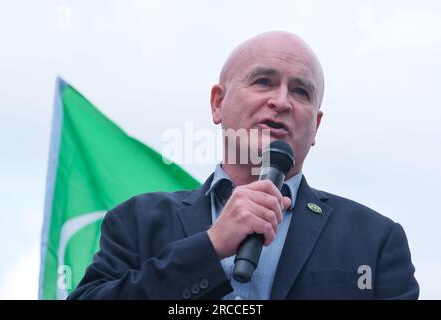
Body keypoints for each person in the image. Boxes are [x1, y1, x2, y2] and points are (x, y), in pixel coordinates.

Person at [68, 31, 419, 300]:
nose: (281, 101)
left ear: (316, 126)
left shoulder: (374, 241)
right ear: (218, 103)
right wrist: (209, 247)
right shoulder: (137, 222)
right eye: (263, 81)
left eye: (301, 92)